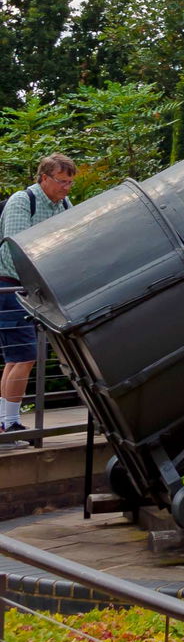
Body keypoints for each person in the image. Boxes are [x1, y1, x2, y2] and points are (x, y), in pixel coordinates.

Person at [0, 154, 76, 446]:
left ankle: (6, 424)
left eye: (69, 183)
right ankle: (10, 424)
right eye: (61, 182)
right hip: (11, 286)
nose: (66, 188)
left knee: (16, 359)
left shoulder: (64, 205)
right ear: (44, 178)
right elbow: (16, 249)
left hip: (34, 290)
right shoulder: (23, 201)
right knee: (23, 356)